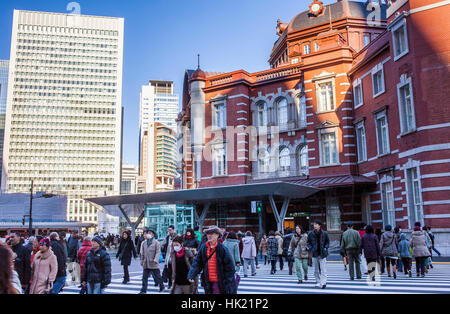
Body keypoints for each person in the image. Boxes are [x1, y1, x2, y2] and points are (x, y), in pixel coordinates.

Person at [187, 225, 236, 294]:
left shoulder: (222, 249)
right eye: (208, 234)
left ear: (217, 235)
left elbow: (230, 267)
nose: (209, 236)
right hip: (208, 282)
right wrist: (191, 274)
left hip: (219, 282)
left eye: (212, 234)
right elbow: (197, 262)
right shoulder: (204, 248)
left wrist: (227, 281)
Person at [139, 229, 165, 294]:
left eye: (150, 233)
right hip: (146, 262)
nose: (148, 234)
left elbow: (158, 252)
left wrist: (156, 260)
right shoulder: (144, 243)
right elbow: (142, 253)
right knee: (144, 277)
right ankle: (143, 290)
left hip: (153, 262)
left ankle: (162, 286)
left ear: (153, 234)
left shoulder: (156, 243)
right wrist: (142, 261)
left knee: (158, 276)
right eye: (148, 233)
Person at [307, 220, 329, 289]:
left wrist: (326, 247)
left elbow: (327, 242)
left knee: (323, 269)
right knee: (316, 270)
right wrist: (311, 248)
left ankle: (323, 282)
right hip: (314, 253)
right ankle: (318, 281)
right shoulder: (310, 233)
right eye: (314, 224)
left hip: (322, 253)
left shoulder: (324, 233)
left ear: (319, 225)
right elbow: (308, 242)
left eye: (316, 224)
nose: (314, 225)